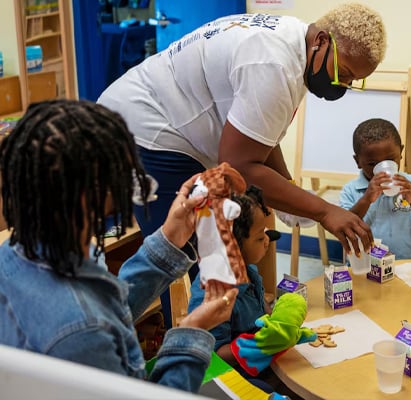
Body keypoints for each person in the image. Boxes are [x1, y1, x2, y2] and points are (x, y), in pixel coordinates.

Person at [98, 3, 386, 326]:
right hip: (148, 130)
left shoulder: (296, 46)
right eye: (343, 73)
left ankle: (230, 344)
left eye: (353, 81)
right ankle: (199, 364)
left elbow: (261, 134)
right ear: (321, 40)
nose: (343, 85)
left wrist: (288, 186)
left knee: (224, 251)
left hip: (168, 126)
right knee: (196, 269)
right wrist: (324, 210)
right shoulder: (274, 64)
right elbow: (240, 165)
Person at [0, 99, 237, 393]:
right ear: (89, 195)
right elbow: (92, 323)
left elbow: (105, 310)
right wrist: (192, 331)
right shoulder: (80, 335)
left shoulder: (24, 251)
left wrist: (169, 237)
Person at [188, 185, 275, 365]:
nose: (267, 240)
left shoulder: (249, 271)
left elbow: (264, 311)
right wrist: (259, 345)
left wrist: (280, 322)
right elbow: (214, 355)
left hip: (261, 362)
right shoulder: (212, 295)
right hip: (234, 375)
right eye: (260, 237)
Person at [338, 118, 411, 259]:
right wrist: (366, 199)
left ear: (401, 152)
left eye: (390, 160)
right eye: (372, 164)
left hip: (409, 263)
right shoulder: (351, 190)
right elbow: (344, 229)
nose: (383, 169)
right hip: (366, 265)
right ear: (358, 161)